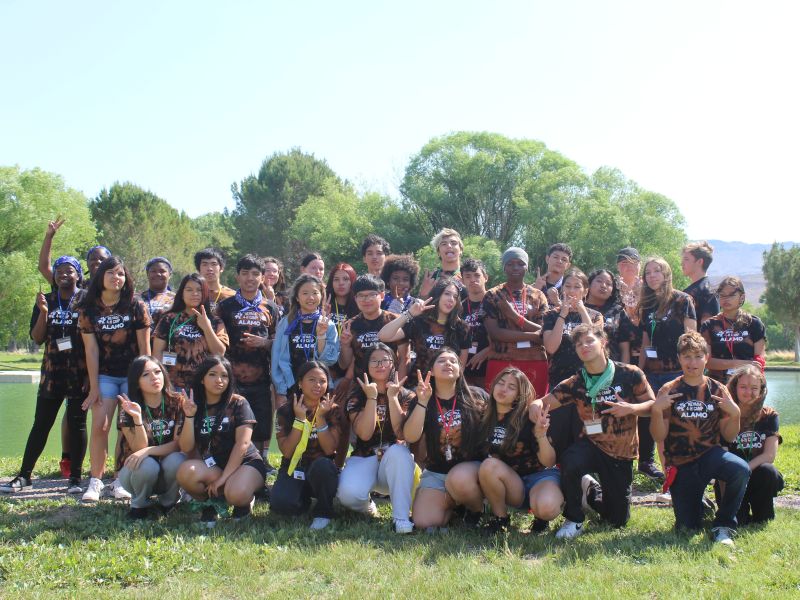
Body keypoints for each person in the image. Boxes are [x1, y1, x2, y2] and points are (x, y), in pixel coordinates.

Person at [537, 324, 655, 538]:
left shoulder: (630, 374)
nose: (584, 346)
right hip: (591, 444)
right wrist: (536, 406)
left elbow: (653, 406)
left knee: (616, 520)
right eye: (579, 344)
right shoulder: (576, 382)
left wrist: (632, 408)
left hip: (621, 452)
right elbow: (545, 403)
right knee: (570, 460)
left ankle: (590, 491)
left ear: (603, 342)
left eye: (589, 341)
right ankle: (574, 518)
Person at [650, 331, 749, 546]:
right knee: (687, 528)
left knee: (740, 469)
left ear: (706, 357)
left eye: (697, 356)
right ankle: (699, 503)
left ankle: (723, 525)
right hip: (682, 461)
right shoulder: (669, 390)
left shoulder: (717, 389)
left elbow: (729, 436)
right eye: (686, 356)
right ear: (679, 359)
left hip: (710, 454)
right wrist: (657, 412)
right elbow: (659, 435)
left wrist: (735, 414)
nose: (692, 362)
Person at [1, 256, 88, 494]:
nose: (63, 274)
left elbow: (94, 340)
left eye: (69, 270)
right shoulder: (46, 299)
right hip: (52, 374)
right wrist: (43, 312)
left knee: (77, 424)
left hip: (80, 374)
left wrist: (92, 374)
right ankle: (24, 475)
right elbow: (38, 338)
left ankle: (76, 479)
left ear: (78, 275)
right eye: (59, 270)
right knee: (41, 425)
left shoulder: (86, 300)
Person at [78, 256, 151, 503]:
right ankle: (95, 482)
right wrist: (94, 387)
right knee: (101, 425)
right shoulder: (89, 308)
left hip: (132, 376)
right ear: (101, 277)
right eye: (111, 273)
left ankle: (120, 480)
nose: (116, 278)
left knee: (126, 427)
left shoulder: (136, 305)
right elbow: (91, 350)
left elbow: (145, 348)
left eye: (120, 273)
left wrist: (146, 380)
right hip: (105, 375)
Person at [402, 348, 487, 531]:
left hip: (471, 470)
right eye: (441, 361)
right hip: (437, 472)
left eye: (453, 361)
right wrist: (423, 402)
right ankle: (456, 506)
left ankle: (477, 510)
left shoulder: (477, 396)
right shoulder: (422, 398)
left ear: (459, 369)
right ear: (431, 370)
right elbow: (410, 436)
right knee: (424, 522)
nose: (448, 364)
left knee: (459, 479)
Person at [177, 356, 266, 526]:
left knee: (236, 494)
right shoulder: (193, 405)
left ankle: (244, 503)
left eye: (224, 376)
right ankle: (211, 504)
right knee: (185, 471)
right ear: (202, 379)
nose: (219, 380)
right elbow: (186, 447)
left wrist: (222, 479)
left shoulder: (238, 403)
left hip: (245, 463)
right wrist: (189, 416)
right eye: (212, 374)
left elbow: (243, 444)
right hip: (213, 467)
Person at [337, 344, 416, 533]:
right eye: (374, 360)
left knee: (398, 451)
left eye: (385, 360)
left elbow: (401, 434)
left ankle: (401, 518)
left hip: (395, 465)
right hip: (364, 456)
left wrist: (393, 398)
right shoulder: (357, 395)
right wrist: (371, 398)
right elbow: (364, 434)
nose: (380, 364)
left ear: (393, 364)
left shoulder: (407, 395)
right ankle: (368, 507)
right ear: (367, 365)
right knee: (348, 495)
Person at [477, 367, 560, 534]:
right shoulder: (482, 415)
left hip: (539, 477)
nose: (503, 389)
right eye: (500, 383)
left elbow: (549, 461)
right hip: (510, 484)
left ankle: (542, 518)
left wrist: (541, 435)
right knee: (489, 465)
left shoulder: (529, 417)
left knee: (547, 508)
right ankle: (500, 519)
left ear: (519, 395)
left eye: (511, 387)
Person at [637, 257, 697, 481]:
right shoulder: (647, 304)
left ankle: (684, 467)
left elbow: (691, 338)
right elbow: (645, 341)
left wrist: (689, 371)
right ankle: (655, 466)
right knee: (651, 416)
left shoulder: (682, 300)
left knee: (677, 421)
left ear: (666, 274)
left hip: (676, 372)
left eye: (656, 271)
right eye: (648, 272)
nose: (651, 275)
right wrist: (640, 372)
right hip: (652, 372)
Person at [216, 255, 280, 459]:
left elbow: (278, 343)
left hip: (261, 379)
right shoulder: (225, 306)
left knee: (260, 425)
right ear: (237, 277)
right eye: (245, 274)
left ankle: (259, 464)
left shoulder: (271, 307)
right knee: (230, 424)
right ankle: (228, 463)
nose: (250, 278)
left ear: (262, 277)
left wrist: (265, 343)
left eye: (255, 274)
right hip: (230, 378)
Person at [272, 361, 344, 530]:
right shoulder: (285, 411)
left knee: (323, 466)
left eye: (322, 380)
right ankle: (302, 498)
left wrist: (320, 418)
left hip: (320, 469)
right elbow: (288, 452)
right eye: (312, 380)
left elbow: (328, 449)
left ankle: (323, 511)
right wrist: (299, 420)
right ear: (300, 383)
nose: (318, 385)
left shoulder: (333, 410)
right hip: (293, 467)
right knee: (281, 505)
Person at [117, 356, 186, 519]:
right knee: (147, 465)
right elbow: (138, 449)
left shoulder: (177, 402)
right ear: (136, 381)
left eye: (157, 372)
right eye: (146, 374)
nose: (154, 377)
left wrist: (149, 451)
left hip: (167, 469)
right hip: (135, 472)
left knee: (178, 459)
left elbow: (178, 445)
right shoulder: (127, 407)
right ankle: (139, 505)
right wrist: (137, 419)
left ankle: (168, 503)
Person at [482, 247, 549, 397]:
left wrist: (514, 316)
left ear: (527, 267)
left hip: (535, 360)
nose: (515, 267)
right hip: (502, 360)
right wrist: (533, 336)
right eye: (510, 264)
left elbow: (545, 333)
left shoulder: (539, 296)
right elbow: (496, 333)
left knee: (534, 408)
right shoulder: (493, 295)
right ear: (504, 267)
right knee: (498, 407)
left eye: (520, 263)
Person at [379, 278, 472, 378]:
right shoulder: (419, 322)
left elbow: (460, 367)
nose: (451, 299)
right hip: (418, 384)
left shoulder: (462, 327)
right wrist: (409, 314)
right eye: (447, 294)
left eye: (455, 296)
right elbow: (383, 336)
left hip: (447, 385)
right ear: (437, 295)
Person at [726, 365, 783, 524]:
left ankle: (762, 511)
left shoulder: (769, 416)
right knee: (740, 522)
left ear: (761, 390)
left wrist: (746, 469)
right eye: (743, 387)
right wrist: (737, 473)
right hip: (732, 477)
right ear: (735, 387)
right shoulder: (724, 413)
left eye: (754, 388)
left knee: (768, 470)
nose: (748, 392)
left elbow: (769, 455)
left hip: (757, 474)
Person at [272, 274, 339, 408]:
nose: (311, 297)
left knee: (319, 427)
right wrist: (281, 390)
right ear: (297, 297)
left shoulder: (328, 324)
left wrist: (321, 336)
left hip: (319, 390)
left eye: (315, 293)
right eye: (305, 293)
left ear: (321, 296)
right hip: (292, 387)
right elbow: (277, 358)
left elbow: (330, 360)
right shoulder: (287, 323)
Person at [153, 273, 229, 390]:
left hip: (204, 386)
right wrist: (162, 382)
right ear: (182, 293)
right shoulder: (169, 318)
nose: (195, 294)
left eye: (199, 290)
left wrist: (207, 327)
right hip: (173, 384)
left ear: (205, 293)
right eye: (189, 290)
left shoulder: (215, 321)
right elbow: (157, 353)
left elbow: (219, 353)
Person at [542, 268, 603, 390]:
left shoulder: (596, 316)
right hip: (559, 378)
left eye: (577, 287)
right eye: (568, 286)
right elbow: (551, 348)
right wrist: (562, 314)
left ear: (585, 291)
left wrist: (582, 311)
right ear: (562, 289)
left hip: (589, 377)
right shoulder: (551, 315)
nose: (571, 291)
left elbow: (596, 343)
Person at [700, 276, 766, 383]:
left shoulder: (754, 323)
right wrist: (741, 363)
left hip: (746, 386)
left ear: (742, 297)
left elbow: (759, 360)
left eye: (731, 295)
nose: (726, 299)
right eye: (722, 295)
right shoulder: (709, 325)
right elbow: (706, 361)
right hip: (717, 385)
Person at [37, 217, 111, 286]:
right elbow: (44, 268)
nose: (98, 261)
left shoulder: (117, 286)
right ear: (87, 263)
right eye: (93, 259)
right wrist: (49, 236)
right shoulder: (77, 286)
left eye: (102, 259)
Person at [585, 268, 628, 362]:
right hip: (580, 367)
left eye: (609, 284)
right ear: (589, 284)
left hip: (611, 367)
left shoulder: (618, 311)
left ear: (612, 290)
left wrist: (624, 371)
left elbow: (625, 347)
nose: (603, 286)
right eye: (599, 281)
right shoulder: (578, 308)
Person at [460, 258, 491, 389]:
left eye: (477, 275)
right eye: (468, 276)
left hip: (490, 368)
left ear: (485, 277)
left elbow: (506, 335)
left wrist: (485, 352)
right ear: (462, 281)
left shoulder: (496, 302)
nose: (473, 279)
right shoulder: (458, 308)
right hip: (465, 370)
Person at [418, 229, 466, 300]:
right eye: (444, 244)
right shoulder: (432, 278)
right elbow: (420, 306)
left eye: (453, 243)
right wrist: (423, 294)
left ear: (461, 250)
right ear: (438, 252)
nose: (449, 246)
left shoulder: (468, 274)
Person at [615, 247, 644, 367]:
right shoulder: (610, 289)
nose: (629, 266)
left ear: (640, 265)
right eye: (624, 263)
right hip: (617, 352)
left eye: (634, 263)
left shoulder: (650, 289)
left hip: (646, 353)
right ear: (618, 267)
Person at [681, 241, 720, 324]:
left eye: (686, 259)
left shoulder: (708, 291)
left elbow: (707, 328)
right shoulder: (690, 289)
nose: (682, 263)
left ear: (699, 262)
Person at [194, 248, 235, 313]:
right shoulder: (192, 294)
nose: (209, 268)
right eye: (205, 264)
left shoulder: (232, 296)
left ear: (221, 268)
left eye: (214, 264)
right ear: (198, 269)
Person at [139, 257, 175, 332]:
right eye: (153, 271)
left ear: (170, 275)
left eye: (162, 271)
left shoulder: (177, 299)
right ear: (147, 274)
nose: (158, 274)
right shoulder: (137, 298)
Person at [325, 263, 359, 339]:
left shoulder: (360, 306)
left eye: (346, 279)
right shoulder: (324, 305)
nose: (341, 283)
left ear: (352, 281)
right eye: (336, 279)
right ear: (331, 283)